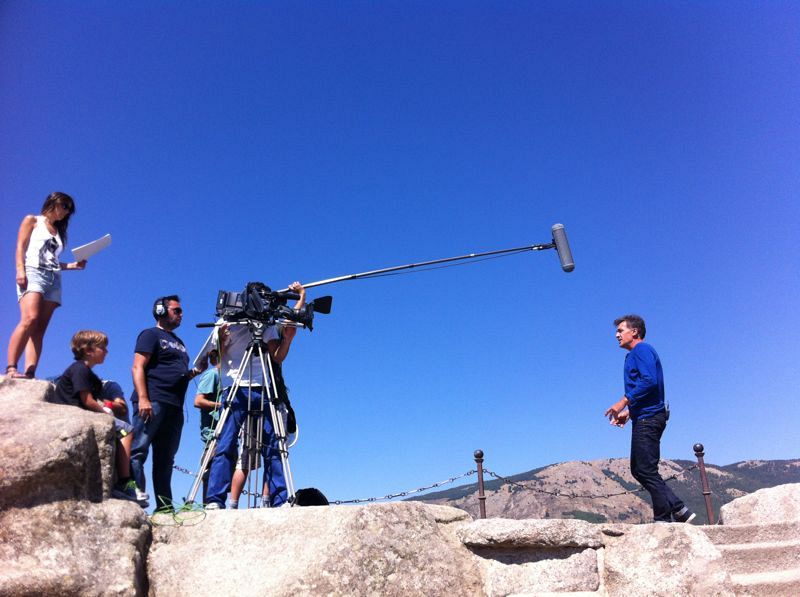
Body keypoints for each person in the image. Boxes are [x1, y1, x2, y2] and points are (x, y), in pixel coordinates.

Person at [205, 282, 305, 509]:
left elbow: (277, 357)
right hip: (235, 386)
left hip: (263, 386)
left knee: (274, 444)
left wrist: (288, 337)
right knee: (226, 443)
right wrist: (221, 339)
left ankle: (280, 499)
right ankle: (215, 500)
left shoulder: (266, 325)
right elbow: (216, 358)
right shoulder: (227, 320)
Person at [605, 315, 695, 523]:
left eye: (621, 330)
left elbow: (650, 381)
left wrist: (624, 402)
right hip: (643, 416)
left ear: (634, 332)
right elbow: (647, 388)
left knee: (645, 469)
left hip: (650, 418)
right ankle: (680, 510)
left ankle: (664, 518)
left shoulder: (642, 350)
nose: (617, 335)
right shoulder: (632, 356)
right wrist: (630, 414)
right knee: (639, 470)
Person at [130, 295, 205, 511]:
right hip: (153, 400)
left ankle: (164, 507)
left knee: (165, 459)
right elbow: (137, 367)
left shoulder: (179, 343)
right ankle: (135, 501)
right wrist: (144, 398)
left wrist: (197, 370)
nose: (181, 315)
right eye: (177, 310)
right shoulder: (150, 334)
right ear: (162, 311)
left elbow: (179, 375)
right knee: (138, 450)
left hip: (174, 406)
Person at [6, 192, 86, 379]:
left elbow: (52, 260)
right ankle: (11, 367)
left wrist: (73, 266)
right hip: (33, 272)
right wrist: (20, 269)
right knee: (30, 319)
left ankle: (30, 372)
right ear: (54, 201)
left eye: (69, 211)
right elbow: (21, 246)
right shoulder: (32, 220)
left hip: (54, 279)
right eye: (65, 206)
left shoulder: (59, 233)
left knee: (40, 328)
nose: (66, 213)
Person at [52, 330, 137, 501]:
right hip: (75, 413)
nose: (106, 351)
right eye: (102, 347)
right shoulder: (80, 370)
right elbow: (87, 400)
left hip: (80, 413)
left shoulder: (86, 373)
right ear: (88, 350)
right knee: (127, 430)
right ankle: (126, 482)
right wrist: (105, 411)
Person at [193, 349, 221, 501]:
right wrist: (220, 405)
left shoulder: (226, 377)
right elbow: (198, 401)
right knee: (212, 471)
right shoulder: (212, 375)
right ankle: (209, 503)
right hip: (213, 432)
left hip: (224, 431)